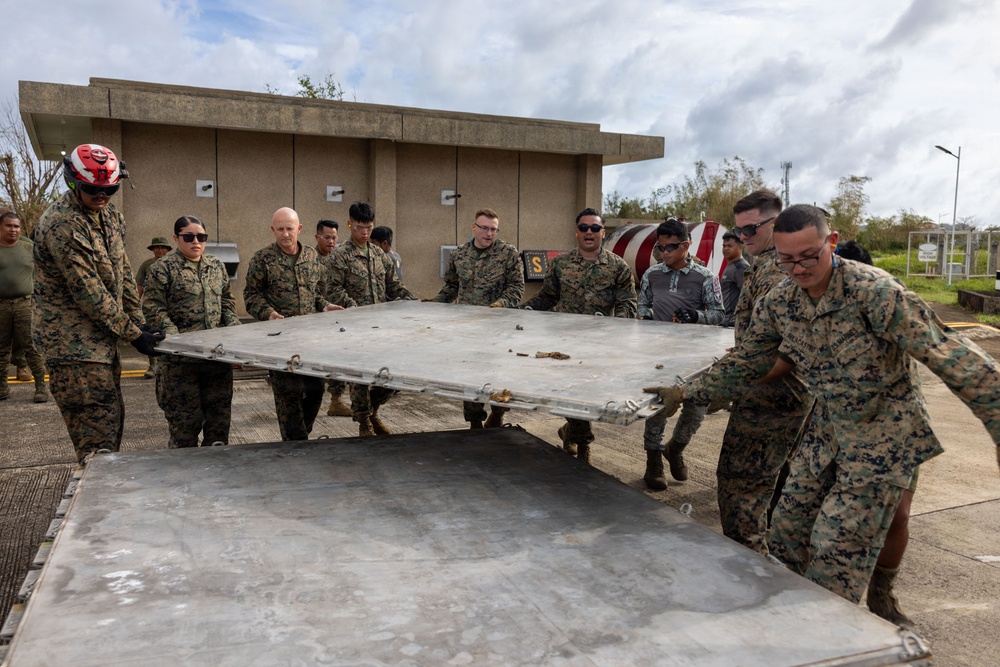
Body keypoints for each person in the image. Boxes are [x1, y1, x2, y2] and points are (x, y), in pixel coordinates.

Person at [653, 204, 1000, 604]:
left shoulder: (875, 293)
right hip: (826, 430)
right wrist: (686, 393)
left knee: (837, 554)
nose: (798, 269)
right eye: (787, 260)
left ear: (831, 242)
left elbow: (956, 359)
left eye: (808, 256)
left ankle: (848, 613)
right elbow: (749, 361)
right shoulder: (780, 302)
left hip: (884, 438)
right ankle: (791, 614)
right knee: (786, 533)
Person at [32, 144, 165, 463]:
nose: (102, 197)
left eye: (110, 190)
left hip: (101, 343)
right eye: (93, 190)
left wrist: (138, 319)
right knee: (96, 442)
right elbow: (88, 291)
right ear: (74, 182)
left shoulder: (110, 215)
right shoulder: (62, 224)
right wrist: (133, 334)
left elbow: (123, 270)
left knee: (111, 422)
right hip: (73, 348)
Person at [707, 190, 815, 554]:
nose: (743, 237)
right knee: (779, 490)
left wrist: (723, 384)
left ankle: (749, 570)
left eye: (751, 229)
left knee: (741, 491)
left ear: (776, 222)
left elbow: (779, 352)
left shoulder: (775, 271)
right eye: (739, 230)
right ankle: (781, 567)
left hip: (770, 398)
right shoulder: (767, 265)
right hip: (784, 395)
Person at [836, 239, 914, 626]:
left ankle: (882, 592)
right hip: (831, 424)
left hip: (894, 426)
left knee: (898, 515)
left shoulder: (889, 301)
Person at [522, 207, 637, 463]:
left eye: (595, 228)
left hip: (598, 343)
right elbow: (548, 296)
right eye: (584, 228)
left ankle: (570, 431)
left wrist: (619, 327)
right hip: (564, 342)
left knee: (587, 393)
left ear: (603, 233)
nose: (589, 232)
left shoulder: (617, 266)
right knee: (570, 392)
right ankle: (584, 446)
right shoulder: (560, 264)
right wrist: (523, 310)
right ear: (577, 232)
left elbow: (627, 302)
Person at [636, 218, 724, 490]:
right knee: (658, 407)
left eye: (671, 247)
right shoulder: (651, 275)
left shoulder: (706, 277)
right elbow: (642, 306)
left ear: (686, 245)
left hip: (694, 356)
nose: (665, 252)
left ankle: (675, 448)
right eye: (661, 247)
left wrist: (696, 316)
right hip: (659, 354)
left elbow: (719, 315)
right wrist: (645, 318)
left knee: (696, 408)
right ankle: (653, 460)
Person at [244, 207, 343, 441]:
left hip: (310, 341)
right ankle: (295, 444)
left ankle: (299, 438)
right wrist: (268, 313)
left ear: (299, 229)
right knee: (288, 396)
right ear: (273, 230)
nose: (285, 234)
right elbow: (251, 296)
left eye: (289, 228)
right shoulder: (262, 259)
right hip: (280, 342)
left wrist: (324, 306)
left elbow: (316, 293)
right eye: (280, 229)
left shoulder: (311, 257)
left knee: (315, 391)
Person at [142, 216, 241, 447]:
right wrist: (174, 335)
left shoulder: (216, 266)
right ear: (176, 238)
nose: (196, 241)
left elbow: (227, 302)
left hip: (216, 360)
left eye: (201, 237)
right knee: (184, 429)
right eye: (188, 237)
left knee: (218, 427)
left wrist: (235, 329)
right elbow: (153, 307)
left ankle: (215, 467)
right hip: (181, 364)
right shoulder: (162, 268)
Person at [325, 201, 417, 437]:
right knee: (359, 378)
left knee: (391, 374)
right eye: (359, 227)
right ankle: (364, 422)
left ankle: (373, 409)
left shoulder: (378, 255)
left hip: (381, 328)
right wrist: (354, 308)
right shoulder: (340, 256)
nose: (365, 233)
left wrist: (412, 300)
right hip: (353, 329)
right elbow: (333, 289)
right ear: (349, 224)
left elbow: (393, 285)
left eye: (368, 228)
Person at [431, 208, 525, 429]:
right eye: (484, 228)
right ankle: (475, 422)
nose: (489, 233)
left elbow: (516, 288)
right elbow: (452, 286)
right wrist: (435, 303)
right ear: (474, 227)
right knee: (470, 375)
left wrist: (498, 305)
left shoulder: (508, 253)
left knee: (499, 373)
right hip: (468, 329)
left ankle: (498, 414)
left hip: (498, 327)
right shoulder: (459, 255)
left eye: (494, 229)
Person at [0, 211, 48, 403]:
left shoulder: (29, 247)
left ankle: (41, 387)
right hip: (1, 305)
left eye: (17, 226)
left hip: (25, 304)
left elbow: (45, 271)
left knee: (32, 346)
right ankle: (2, 387)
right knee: (2, 349)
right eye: (9, 225)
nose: (13, 230)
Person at [314, 219, 350, 417]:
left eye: (334, 238)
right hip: (316, 318)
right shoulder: (310, 259)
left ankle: (336, 400)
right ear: (317, 237)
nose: (331, 242)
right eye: (327, 237)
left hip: (338, 317)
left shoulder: (339, 259)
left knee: (339, 357)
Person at [135, 236, 172, 378]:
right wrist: (135, 305)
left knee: (170, 334)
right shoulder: (147, 265)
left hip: (169, 306)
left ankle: (168, 364)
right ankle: (153, 365)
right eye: (157, 247)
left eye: (163, 247)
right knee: (152, 334)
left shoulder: (172, 263)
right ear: (152, 249)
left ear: (167, 249)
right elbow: (139, 285)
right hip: (152, 306)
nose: (160, 250)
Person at [719, 230, 749, 327]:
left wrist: (736, 320)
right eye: (724, 246)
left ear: (740, 247)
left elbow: (748, 296)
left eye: (729, 246)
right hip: (727, 320)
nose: (725, 249)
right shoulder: (732, 265)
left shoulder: (741, 267)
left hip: (733, 323)